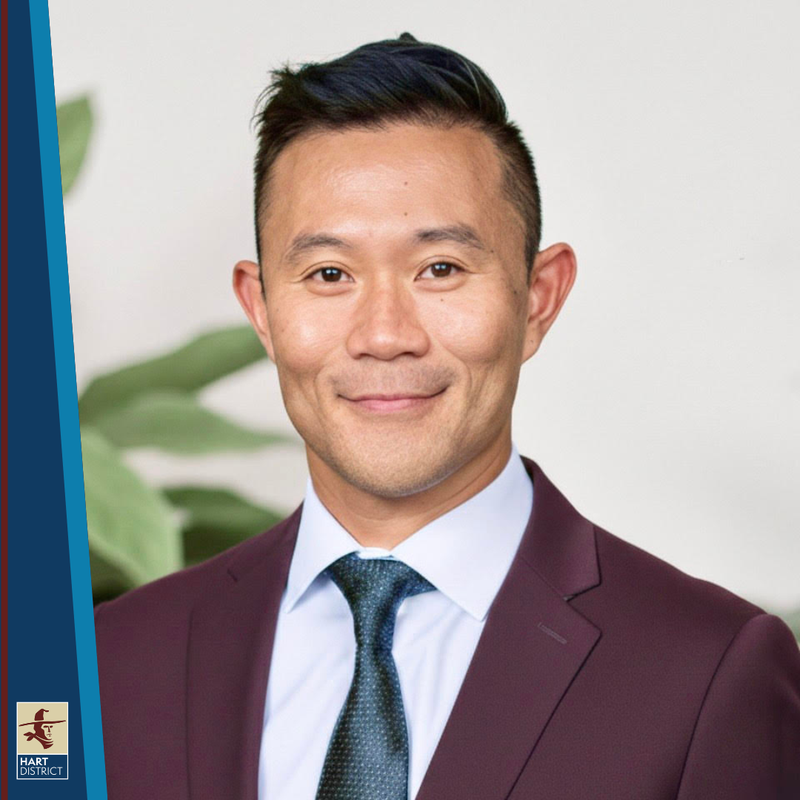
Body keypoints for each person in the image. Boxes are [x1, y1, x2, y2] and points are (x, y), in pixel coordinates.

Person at [94, 32, 800, 799]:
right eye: (329, 274)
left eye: (442, 269)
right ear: (261, 309)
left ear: (539, 297)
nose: (385, 335)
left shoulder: (707, 673)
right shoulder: (111, 663)